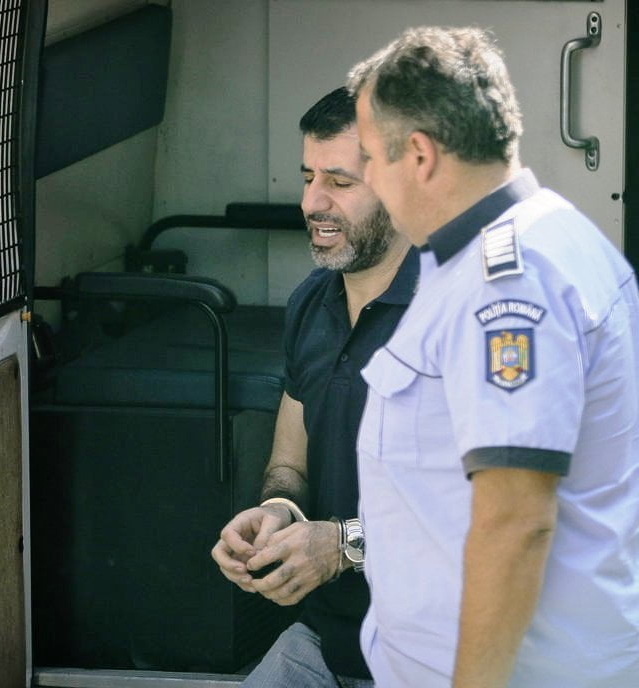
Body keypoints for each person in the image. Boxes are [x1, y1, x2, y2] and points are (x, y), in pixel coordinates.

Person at [347, 26, 639, 688]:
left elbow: (516, 519)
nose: (366, 176)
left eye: (368, 156)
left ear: (419, 154)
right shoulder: (536, 236)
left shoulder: (507, 283)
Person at [211, 87, 415, 687]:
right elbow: (288, 464)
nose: (311, 203)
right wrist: (277, 513)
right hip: (331, 637)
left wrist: (344, 545)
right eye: (308, 177)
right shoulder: (311, 302)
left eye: (340, 182)